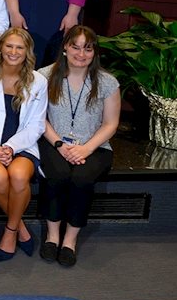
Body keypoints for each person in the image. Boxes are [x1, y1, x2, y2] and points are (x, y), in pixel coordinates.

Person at [37, 25, 120, 267]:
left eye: (87, 48)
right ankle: (52, 236)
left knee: (82, 179)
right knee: (58, 174)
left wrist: (86, 148)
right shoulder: (44, 76)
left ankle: (70, 240)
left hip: (94, 146)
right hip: (54, 142)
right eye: (75, 46)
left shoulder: (107, 82)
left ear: (94, 52)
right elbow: (38, 118)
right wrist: (60, 144)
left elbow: (110, 123)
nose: (81, 54)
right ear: (65, 48)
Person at [0, 27, 47, 261]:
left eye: (20, 47)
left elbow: (36, 125)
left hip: (22, 145)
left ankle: (10, 230)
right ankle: (21, 228)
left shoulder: (38, 81)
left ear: (27, 51)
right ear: (1, 47)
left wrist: (11, 148)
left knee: (17, 177)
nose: (13, 52)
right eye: (9, 46)